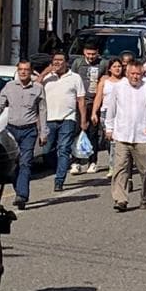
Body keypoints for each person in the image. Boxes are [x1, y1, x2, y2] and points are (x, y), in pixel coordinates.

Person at [103, 60, 146, 212]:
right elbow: (111, 109)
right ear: (127, 73)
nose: (135, 77)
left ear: (142, 74)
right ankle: (120, 199)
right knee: (120, 168)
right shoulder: (118, 88)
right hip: (122, 134)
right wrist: (109, 128)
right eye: (132, 74)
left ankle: (145, 196)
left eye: (138, 74)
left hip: (142, 136)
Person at [0, 60, 48, 210]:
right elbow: (0, 102)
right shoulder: (9, 87)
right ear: (18, 71)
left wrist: (43, 132)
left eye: (26, 70)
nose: (23, 72)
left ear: (31, 72)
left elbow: (42, 111)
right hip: (11, 129)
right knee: (12, 162)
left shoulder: (38, 88)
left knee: (25, 161)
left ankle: (22, 195)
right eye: (21, 69)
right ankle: (18, 189)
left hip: (29, 130)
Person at [40, 53, 87, 192]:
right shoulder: (47, 78)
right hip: (49, 119)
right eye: (55, 60)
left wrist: (83, 119)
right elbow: (34, 87)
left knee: (64, 149)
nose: (57, 63)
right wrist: (45, 73)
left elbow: (81, 100)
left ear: (66, 62)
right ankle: (60, 166)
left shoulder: (75, 78)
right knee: (47, 150)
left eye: (60, 60)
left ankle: (59, 180)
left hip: (68, 118)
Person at [70, 43, 107, 174]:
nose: (91, 57)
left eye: (93, 54)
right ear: (84, 52)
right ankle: (76, 161)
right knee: (77, 132)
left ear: (97, 53)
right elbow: (72, 79)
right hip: (79, 102)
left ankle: (93, 161)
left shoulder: (103, 64)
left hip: (94, 103)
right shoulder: (78, 63)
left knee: (93, 133)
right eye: (88, 54)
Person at [91, 59, 126, 172]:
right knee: (109, 139)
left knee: (119, 140)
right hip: (106, 113)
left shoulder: (125, 81)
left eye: (119, 66)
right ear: (110, 69)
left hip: (122, 113)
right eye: (114, 66)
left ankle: (117, 165)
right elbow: (99, 97)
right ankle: (113, 163)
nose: (117, 68)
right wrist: (94, 113)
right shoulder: (104, 82)